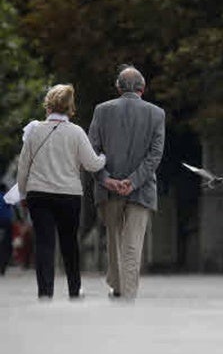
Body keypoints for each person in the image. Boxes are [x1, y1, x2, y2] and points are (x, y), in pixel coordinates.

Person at [17, 84, 106, 299]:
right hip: (68, 195)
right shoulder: (76, 132)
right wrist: (104, 157)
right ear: (70, 107)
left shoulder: (35, 131)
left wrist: (22, 193)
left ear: (48, 106)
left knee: (44, 243)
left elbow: (23, 166)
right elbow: (93, 164)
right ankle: (74, 290)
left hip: (39, 194)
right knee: (69, 242)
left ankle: (45, 292)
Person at [88, 65, 165, 300]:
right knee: (133, 244)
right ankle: (128, 292)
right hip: (141, 190)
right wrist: (133, 182)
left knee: (114, 240)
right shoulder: (157, 113)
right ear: (143, 88)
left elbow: (91, 151)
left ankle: (119, 287)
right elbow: (155, 155)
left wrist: (107, 180)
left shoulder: (102, 111)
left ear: (118, 87)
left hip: (108, 190)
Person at [0, 183, 14, 275]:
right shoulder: (7, 197)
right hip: (6, 222)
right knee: (6, 243)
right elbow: (14, 208)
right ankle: (3, 265)